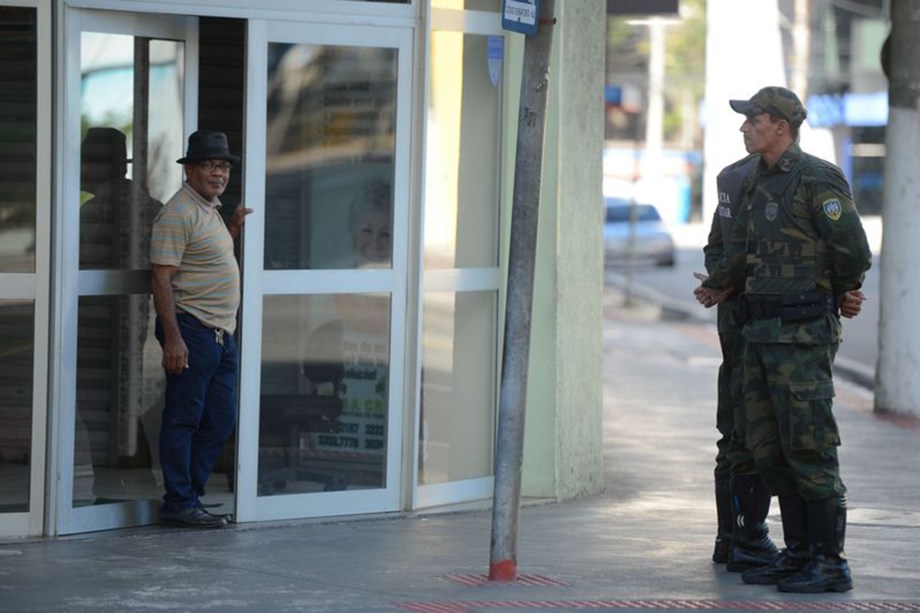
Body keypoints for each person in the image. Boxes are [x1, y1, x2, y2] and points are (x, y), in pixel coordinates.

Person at [694, 86, 871, 593]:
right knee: (769, 450)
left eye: (754, 120)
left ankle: (829, 562)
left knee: (810, 447)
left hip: (801, 335)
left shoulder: (817, 177)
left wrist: (841, 291)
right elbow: (740, 249)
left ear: (780, 126)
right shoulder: (754, 183)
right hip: (758, 332)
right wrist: (718, 284)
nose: (745, 128)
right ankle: (797, 555)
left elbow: (853, 251)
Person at [150, 130, 252, 528]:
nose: (219, 173)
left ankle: (187, 495)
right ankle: (179, 501)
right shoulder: (178, 213)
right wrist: (173, 339)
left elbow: (206, 258)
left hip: (221, 334)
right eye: (210, 165)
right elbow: (161, 279)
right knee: (183, 419)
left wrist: (234, 229)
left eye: (224, 166)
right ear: (190, 169)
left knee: (220, 420)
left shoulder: (207, 209)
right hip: (192, 330)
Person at [699, 152, 778, 573]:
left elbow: (716, 246)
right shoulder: (771, 179)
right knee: (758, 433)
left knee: (732, 432)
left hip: (733, 318)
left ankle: (730, 539)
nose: (744, 128)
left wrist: (721, 283)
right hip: (765, 321)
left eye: (752, 119)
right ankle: (749, 539)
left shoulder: (731, 176)